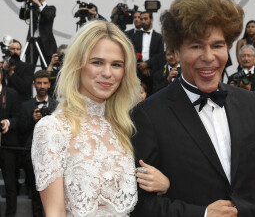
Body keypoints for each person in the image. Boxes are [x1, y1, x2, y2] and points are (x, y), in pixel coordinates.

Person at [131, 0, 255, 217]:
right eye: (196, 46)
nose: (209, 56)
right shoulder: (148, 115)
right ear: (175, 52)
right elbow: (140, 205)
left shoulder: (249, 102)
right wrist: (201, 214)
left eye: (217, 45)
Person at [31, 21, 168, 216]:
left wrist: (164, 185)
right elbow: (55, 213)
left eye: (116, 65)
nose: (107, 73)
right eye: (97, 62)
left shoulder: (125, 126)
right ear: (78, 65)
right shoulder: (52, 129)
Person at [22, 70, 57, 217]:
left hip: (54, 154)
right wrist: (32, 120)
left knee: (55, 193)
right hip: (32, 154)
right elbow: (21, 131)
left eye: (45, 83)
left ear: (49, 84)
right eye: (39, 83)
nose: (42, 86)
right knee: (36, 194)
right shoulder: (26, 105)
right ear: (34, 84)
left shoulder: (57, 105)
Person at [19, 0, 57, 69]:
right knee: (28, 69)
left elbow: (48, 17)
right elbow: (22, 16)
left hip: (46, 43)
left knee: (47, 69)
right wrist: (24, 1)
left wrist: (38, 4)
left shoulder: (51, 8)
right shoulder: (33, 9)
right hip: (32, 41)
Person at [0, 68, 21, 217]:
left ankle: (10, 214)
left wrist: (8, 122)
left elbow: (19, 117)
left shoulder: (12, 94)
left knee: (10, 184)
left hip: (8, 145)